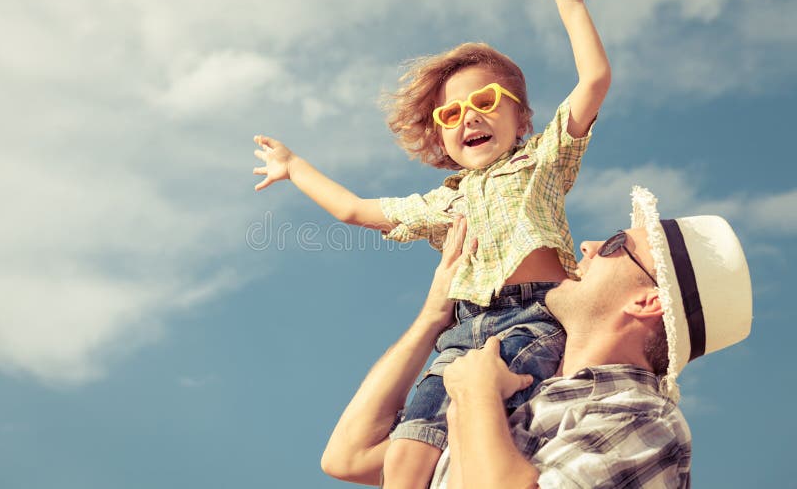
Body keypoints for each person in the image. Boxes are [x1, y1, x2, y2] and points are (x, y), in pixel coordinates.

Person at [254, 0, 609, 487]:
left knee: (483, 430)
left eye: (485, 102)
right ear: (442, 137)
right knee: (404, 459)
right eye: (452, 115)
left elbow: (594, 80)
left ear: (522, 120)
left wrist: (569, 4)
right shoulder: (444, 203)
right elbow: (353, 209)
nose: (469, 117)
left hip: (534, 319)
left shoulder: (541, 161)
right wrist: (294, 167)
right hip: (460, 334)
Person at [321, 186, 753, 488]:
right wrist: (434, 316)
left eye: (616, 244)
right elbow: (348, 456)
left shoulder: (643, 419)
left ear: (646, 302)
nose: (587, 244)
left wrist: (476, 397)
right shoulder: (522, 379)